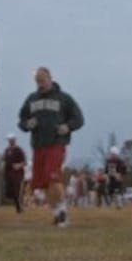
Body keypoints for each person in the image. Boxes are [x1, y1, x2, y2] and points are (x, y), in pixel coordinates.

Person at [18, 67, 84, 228]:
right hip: (38, 145)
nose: (41, 83)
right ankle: (57, 212)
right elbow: (22, 119)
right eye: (37, 81)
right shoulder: (31, 99)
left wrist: (68, 127)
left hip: (56, 143)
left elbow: (79, 119)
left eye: (43, 79)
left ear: (50, 78)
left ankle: (63, 214)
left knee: (52, 177)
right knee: (42, 183)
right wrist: (27, 124)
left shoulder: (64, 98)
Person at [2, 135, 27, 213]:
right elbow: (4, 160)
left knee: (17, 191)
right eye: (9, 140)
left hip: (17, 174)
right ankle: (17, 205)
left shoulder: (19, 150)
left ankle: (20, 207)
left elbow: (24, 162)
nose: (11, 142)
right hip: (8, 174)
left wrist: (18, 165)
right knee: (11, 191)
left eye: (12, 140)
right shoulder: (7, 150)